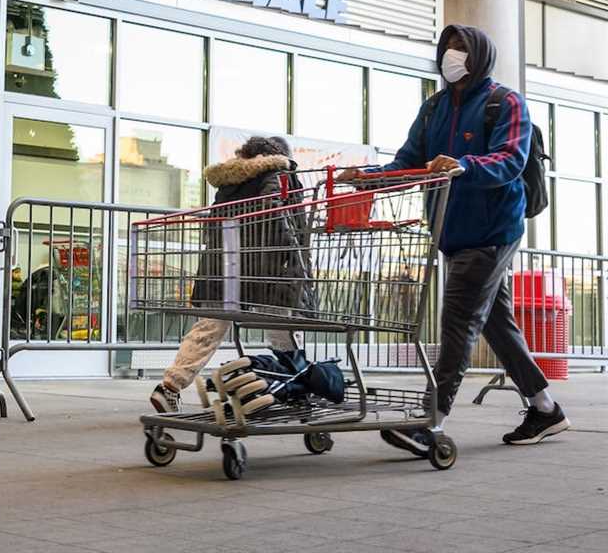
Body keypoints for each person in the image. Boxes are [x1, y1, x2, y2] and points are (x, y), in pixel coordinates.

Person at [341, 24, 569, 453]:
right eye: (447, 47)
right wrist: (367, 179)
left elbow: (509, 159)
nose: (451, 54)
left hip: (492, 231)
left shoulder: (505, 103)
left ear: (478, 54)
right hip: (452, 232)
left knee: (458, 323)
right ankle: (546, 409)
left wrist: (465, 165)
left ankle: (431, 419)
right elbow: (409, 161)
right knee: (497, 326)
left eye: (460, 47)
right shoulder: (434, 108)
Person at [150, 136, 312, 414]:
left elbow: (217, 225)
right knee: (281, 329)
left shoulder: (229, 181)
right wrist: (298, 268)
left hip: (223, 266)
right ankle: (296, 387)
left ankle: (170, 386)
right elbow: (286, 223)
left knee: (209, 328)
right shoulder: (281, 174)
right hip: (267, 268)